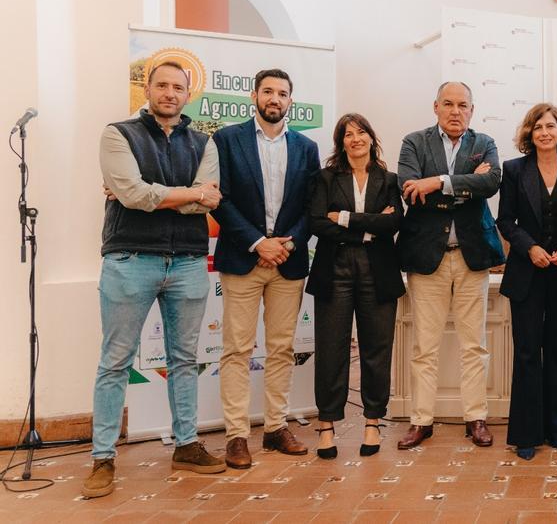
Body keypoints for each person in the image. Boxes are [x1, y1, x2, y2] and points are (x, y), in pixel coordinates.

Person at [85, 61, 226, 498]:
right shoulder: (118, 134)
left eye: (178, 87)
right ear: (147, 90)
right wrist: (188, 193)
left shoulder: (205, 143)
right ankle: (103, 458)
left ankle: (186, 445)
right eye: (161, 85)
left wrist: (158, 195)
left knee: (184, 359)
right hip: (130, 259)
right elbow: (131, 194)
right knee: (115, 362)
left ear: (189, 95)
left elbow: (207, 202)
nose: (170, 93)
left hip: (186, 261)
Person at [211, 68, 321, 469]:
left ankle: (275, 427)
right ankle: (237, 435)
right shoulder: (227, 139)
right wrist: (259, 243)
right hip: (243, 258)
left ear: (291, 101)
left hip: (288, 261)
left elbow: (312, 205)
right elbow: (219, 198)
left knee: (281, 349)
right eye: (269, 92)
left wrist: (285, 243)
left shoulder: (307, 147)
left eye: (283, 93)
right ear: (254, 96)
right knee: (237, 349)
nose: (275, 99)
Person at [395, 81, 505, 449]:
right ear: (436, 107)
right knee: (424, 346)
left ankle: (476, 418)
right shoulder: (414, 141)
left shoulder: (483, 142)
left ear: (472, 110)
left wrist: (439, 181)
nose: (455, 111)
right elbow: (409, 187)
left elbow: (490, 182)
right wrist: (463, 186)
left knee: (474, 344)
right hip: (428, 258)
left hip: (472, 256)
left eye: (463, 105)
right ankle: (421, 421)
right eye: (448, 104)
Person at [497, 103, 557, 460]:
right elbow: (506, 221)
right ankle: (525, 435)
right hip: (526, 274)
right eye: (537, 127)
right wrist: (530, 248)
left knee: (553, 350)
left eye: (551, 126)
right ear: (529, 133)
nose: (544, 132)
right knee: (526, 352)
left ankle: (556, 430)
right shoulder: (513, 169)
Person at [306, 113, 404, 459]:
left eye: (361, 132)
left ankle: (373, 422)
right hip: (335, 268)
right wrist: (368, 228)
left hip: (378, 269)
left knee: (377, 349)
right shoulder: (325, 178)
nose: (355, 138)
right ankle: (327, 425)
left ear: (371, 138)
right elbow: (317, 223)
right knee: (331, 349)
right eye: (348, 134)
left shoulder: (388, 179)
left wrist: (346, 218)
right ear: (341, 142)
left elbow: (393, 221)